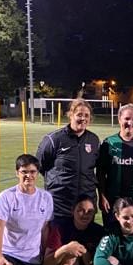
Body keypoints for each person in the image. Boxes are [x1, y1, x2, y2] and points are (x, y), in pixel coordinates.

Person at [36, 100, 100, 235]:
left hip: (86, 207)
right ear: (71, 115)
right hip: (60, 206)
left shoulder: (94, 140)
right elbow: (40, 166)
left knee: (84, 249)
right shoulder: (53, 140)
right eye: (79, 114)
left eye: (86, 115)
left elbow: (95, 168)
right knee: (58, 249)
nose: (83, 118)